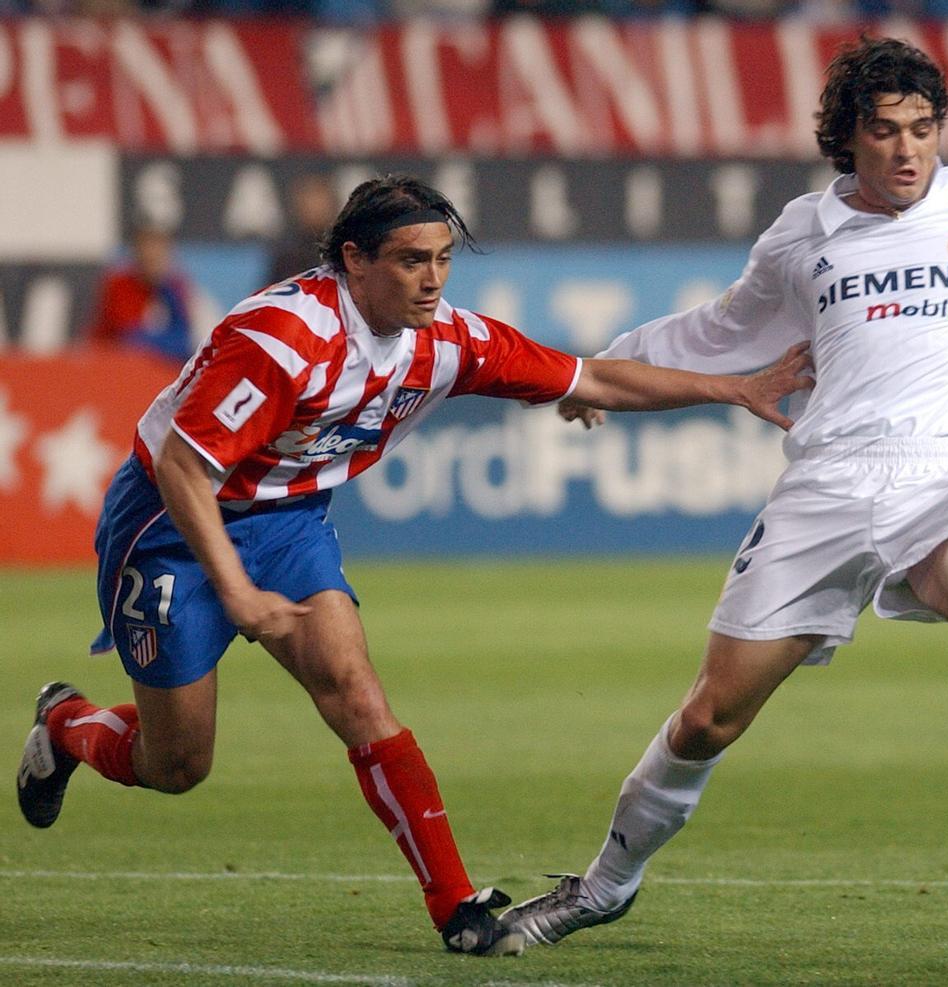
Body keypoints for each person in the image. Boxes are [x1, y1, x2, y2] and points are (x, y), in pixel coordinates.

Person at [499, 37, 948, 962]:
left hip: (947, 466)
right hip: (828, 481)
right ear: (847, 142)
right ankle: (604, 886)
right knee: (709, 716)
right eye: (885, 132)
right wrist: (605, 367)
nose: (908, 150)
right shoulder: (801, 236)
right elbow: (721, 329)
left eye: (924, 130)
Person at [16, 174, 813, 957]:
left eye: (442, 259)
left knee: (356, 690)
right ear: (354, 261)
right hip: (170, 529)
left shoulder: (447, 341)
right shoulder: (282, 338)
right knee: (177, 764)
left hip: (287, 521)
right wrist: (235, 589)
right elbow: (184, 468)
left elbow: (593, 375)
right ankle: (67, 722)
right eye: (410, 261)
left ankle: (457, 906)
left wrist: (732, 387)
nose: (432, 279)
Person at [84, 223, 203, 365]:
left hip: (154, 367)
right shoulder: (120, 285)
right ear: (136, 252)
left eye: (158, 250)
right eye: (146, 249)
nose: (152, 255)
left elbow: (183, 339)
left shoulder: (174, 287)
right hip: (111, 364)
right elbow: (130, 339)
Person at [266, 173, 340, 287]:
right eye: (309, 199)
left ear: (332, 203)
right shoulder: (287, 256)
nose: (315, 206)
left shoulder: (345, 251)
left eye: (319, 198)